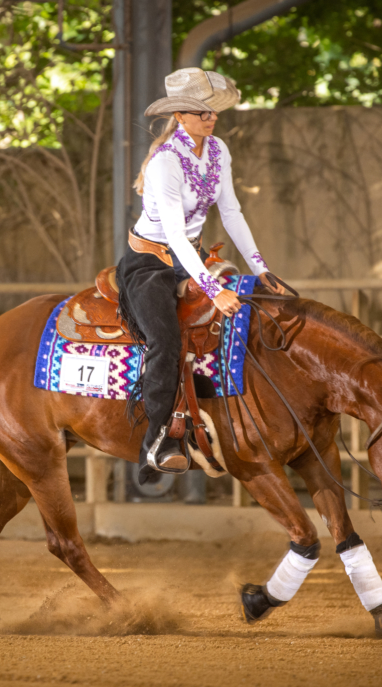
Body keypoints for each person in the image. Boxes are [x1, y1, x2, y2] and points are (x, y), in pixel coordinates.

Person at [116, 67, 286, 484]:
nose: (211, 118)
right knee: (165, 341)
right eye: (200, 112)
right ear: (179, 116)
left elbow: (231, 212)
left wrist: (261, 268)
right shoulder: (165, 162)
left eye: (212, 111)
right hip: (149, 262)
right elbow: (174, 234)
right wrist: (213, 291)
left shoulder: (218, 150)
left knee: (250, 314)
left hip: (190, 256)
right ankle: (156, 443)